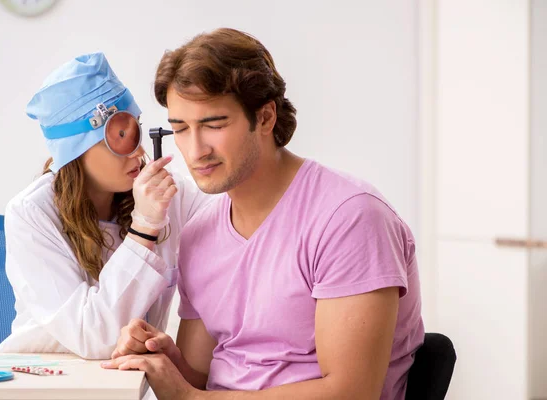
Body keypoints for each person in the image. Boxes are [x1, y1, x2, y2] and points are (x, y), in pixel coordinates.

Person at [104, 28, 424, 400]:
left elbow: (350, 393)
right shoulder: (199, 233)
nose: (195, 150)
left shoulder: (350, 219)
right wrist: (161, 356)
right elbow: (199, 374)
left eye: (214, 124)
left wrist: (193, 399)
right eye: (181, 129)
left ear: (266, 117)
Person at [0, 52, 213, 360]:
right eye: (120, 136)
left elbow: (237, 226)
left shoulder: (169, 194)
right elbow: (93, 336)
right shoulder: (31, 214)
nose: (138, 151)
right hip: (45, 375)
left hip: (126, 380)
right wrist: (144, 228)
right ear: (77, 150)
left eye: (135, 130)